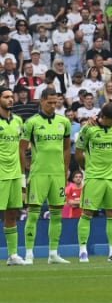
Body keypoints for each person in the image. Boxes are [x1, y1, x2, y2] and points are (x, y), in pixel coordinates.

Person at [21, 91, 72, 264]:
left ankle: (53, 254)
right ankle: (29, 254)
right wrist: (26, 169)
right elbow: (21, 149)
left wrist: (65, 171)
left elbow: (66, 148)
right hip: (38, 174)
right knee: (33, 214)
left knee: (56, 215)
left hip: (57, 174)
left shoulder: (64, 122)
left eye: (55, 102)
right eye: (49, 102)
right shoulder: (32, 122)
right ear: (42, 101)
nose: (52, 106)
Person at [75, 102, 112, 263]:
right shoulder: (88, 129)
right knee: (87, 213)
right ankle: (83, 251)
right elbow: (79, 152)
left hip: (111, 178)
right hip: (93, 178)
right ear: (105, 117)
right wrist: (86, 168)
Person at [0, 88, 28, 265]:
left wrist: (23, 174)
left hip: (15, 174)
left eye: (11, 97)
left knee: (12, 214)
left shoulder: (18, 120)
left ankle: (13, 255)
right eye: (6, 97)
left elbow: (21, 149)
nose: (10, 99)